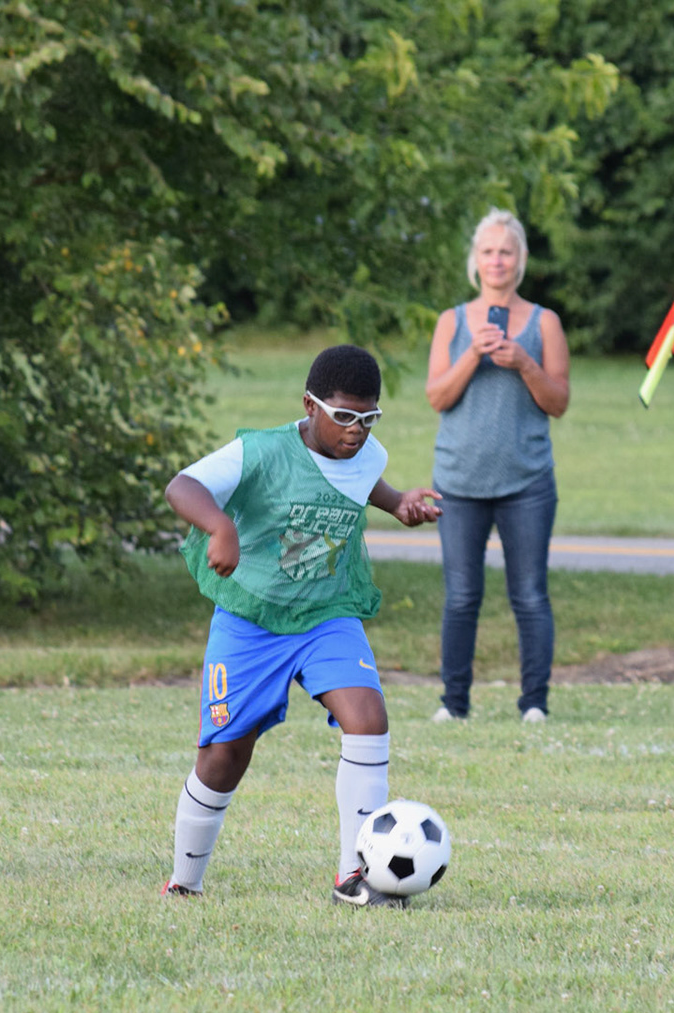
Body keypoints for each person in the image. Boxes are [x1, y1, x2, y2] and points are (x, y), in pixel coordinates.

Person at [161, 344, 441, 907]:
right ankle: (185, 881)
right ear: (310, 406)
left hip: (325, 614)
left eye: (368, 417)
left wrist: (399, 503)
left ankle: (356, 877)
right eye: (344, 416)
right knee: (225, 755)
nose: (356, 430)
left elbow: (361, 482)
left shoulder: (367, 452)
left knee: (368, 718)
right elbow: (182, 487)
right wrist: (220, 527)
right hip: (251, 619)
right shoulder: (262, 452)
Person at [424, 207, 571, 723]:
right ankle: (454, 704)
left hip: (526, 482)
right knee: (461, 597)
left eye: (506, 251)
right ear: (475, 259)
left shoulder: (545, 323)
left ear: (521, 258)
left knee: (529, 595)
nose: (497, 260)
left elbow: (558, 402)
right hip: (459, 481)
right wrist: (473, 355)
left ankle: (535, 704)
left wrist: (523, 362)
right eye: (487, 251)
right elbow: (437, 397)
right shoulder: (451, 322)